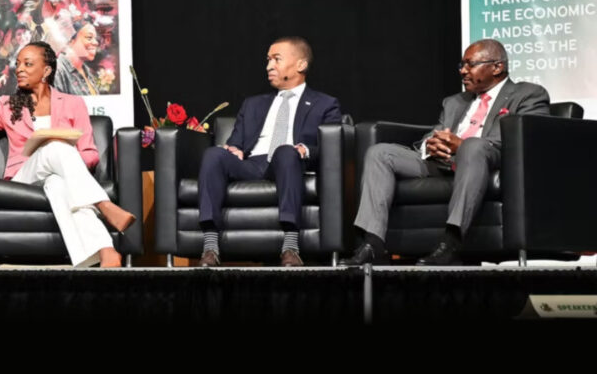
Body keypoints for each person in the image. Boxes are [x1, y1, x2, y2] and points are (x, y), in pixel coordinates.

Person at [340, 39, 550, 266]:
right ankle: (373, 244)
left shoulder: (528, 94)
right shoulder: (454, 102)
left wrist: (460, 145)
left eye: (470, 65)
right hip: (441, 162)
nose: (463, 71)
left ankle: (451, 242)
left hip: (488, 159)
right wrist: (429, 145)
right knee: (380, 153)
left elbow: (529, 137)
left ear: (497, 67)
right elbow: (436, 133)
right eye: (461, 65)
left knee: (472, 146)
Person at [0, 42, 135, 267]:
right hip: (24, 177)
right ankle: (104, 205)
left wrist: (66, 161)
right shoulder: (7, 105)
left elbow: (89, 153)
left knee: (58, 182)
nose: (19, 69)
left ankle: (104, 252)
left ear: (46, 70)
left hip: (59, 175)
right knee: (55, 147)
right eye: (18, 64)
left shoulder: (73, 104)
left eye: (28, 64)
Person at [197, 36, 342, 267]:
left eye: (276, 59)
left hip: (290, 163)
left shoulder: (324, 104)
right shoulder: (253, 104)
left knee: (285, 152)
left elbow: (331, 146)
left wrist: (304, 150)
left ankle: (291, 247)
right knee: (214, 154)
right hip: (253, 163)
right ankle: (210, 247)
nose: (268, 66)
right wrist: (233, 149)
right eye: (267, 60)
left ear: (301, 65)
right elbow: (237, 141)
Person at [53, 20, 100, 95]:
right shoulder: (57, 71)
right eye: (89, 37)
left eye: (95, 38)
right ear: (71, 41)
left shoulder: (87, 71)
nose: (96, 42)